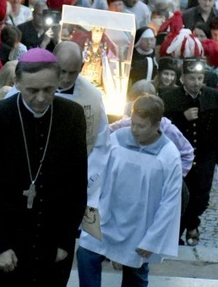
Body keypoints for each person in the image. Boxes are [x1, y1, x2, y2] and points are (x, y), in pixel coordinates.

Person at [0, 48, 87, 285]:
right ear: (17, 83)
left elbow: (76, 187)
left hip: (50, 251)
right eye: (32, 90)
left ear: (58, 82)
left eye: (48, 90)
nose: (40, 98)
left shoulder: (72, 116)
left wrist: (64, 241)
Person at [77, 94, 183, 286]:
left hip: (140, 226)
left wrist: (153, 239)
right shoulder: (117, 139)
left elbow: (170, 202)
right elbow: (95, 175)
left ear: (157, 124)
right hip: (107, 219)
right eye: (133, 123)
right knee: (86, 254)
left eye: (141, 126)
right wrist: (90, 212)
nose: (134, 130)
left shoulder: (168, 155)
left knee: (136, 274)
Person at [160, 57, 218, 246]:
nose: (196, 83)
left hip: (206, 153)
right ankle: (186, 229)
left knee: (202, 196)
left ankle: (192, 223)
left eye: (199, 78)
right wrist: (182, 118)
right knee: (182, 193)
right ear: (183, 79)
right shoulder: (169, 97)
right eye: (192, 78)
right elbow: (164, 126)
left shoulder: (214, 97)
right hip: (180, 154)